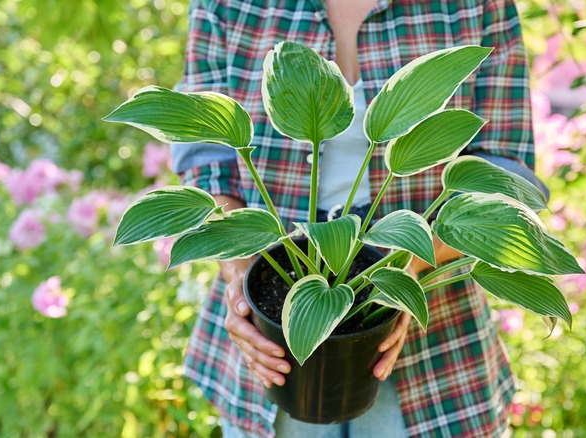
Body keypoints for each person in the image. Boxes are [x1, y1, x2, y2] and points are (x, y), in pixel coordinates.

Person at [171, 1, 548, 436]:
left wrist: (408, 272)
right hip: (273, 305)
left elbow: (507, 172)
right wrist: (238, 275)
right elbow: (206, 159)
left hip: (435, 334)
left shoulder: (475, 5)